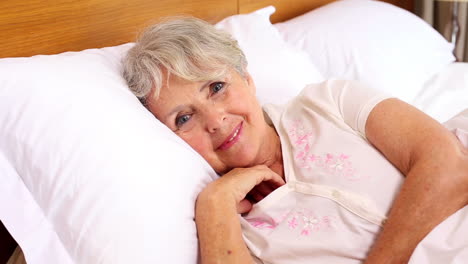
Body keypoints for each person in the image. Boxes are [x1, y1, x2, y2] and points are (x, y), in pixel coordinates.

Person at [122, 17, 468, 263]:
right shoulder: (231, 227)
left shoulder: (327, 101)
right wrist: (215, 205)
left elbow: (450, 165)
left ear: (246, 77)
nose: (215, 121)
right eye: (184, 118)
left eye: (216, 87)